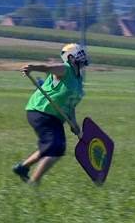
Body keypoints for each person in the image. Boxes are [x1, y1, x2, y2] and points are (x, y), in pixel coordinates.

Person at [12, 43, 89, 186]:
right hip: (41, 111)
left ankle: (22, 168)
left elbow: (70, 105)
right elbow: (48, 68)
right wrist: (33, 67)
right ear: (70, 57)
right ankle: (34, 182)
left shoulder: (78, 80)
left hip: (56, 118)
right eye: (80, 53)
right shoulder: (65, 69)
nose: (83, 56)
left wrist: (74, 124)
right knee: (54, 147)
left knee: (57, 148)